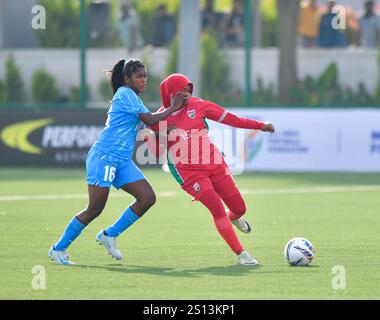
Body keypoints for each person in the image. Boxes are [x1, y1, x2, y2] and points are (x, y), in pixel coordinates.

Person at [48, 59, 189, 265]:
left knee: (147, 198)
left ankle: (109, 235)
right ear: (126, 79)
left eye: (145, 76)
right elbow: (150, 119)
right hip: (105, 157)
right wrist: (173, 107)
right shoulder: (124, 93)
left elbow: (147, 124)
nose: (144, 80)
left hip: (121, 161)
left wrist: (167, 128)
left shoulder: (134, 98)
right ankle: (58, 249)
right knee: (94, 209)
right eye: (139, 77)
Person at [145, 73, 275, 266]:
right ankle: (242, 255)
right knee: (216, 209)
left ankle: (234, 217)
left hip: (214, 163)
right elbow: (156, 153)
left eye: (189, 89)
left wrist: (260, 125)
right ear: (171, 94)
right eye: (182, 90)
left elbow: (231, 119)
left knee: (240, 208)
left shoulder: (199, 105)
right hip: (189, 173)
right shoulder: (158, 119)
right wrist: (152, 136)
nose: (187, 93)